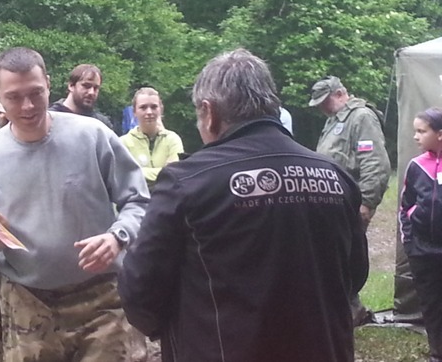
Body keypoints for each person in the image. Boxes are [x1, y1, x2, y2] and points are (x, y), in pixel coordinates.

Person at [119, 49, 368, 362]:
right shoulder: (336, 176)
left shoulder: (187, 182)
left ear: (209, 112)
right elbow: (354, 275)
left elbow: (139, 292)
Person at [0, 47, 149, 361]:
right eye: (14, 97)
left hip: (102, 299)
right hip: (27, 303)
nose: (27, 106)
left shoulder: (92, 136)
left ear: (49, 84)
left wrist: (118, 236)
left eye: (35, 93)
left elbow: (138, 200)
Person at [309, 75, 390, 324]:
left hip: (349, 202)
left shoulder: (361, 117)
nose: (322, 108)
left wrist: (367, 202)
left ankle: (350, 313)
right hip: (333, 202)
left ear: (340, 94)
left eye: (325, 101)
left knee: (345, 258)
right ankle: (346, 310)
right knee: (334, 256)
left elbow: (375, 162)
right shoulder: (336, 119)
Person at [399, 107, 442, 362]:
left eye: (421, 131)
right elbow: (405, 206)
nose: (415, 136)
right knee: (431, 304)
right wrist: (410, 242)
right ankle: (438, 352)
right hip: (423, 251)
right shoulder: (416, 166)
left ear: (439, 134)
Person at [120, 87, 184, 188]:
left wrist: (137, 172)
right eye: (143, 107)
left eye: (154, 107)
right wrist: (163, 172)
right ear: (134, 112)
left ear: (161, 109)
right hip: (136, 197)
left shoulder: (173, 140)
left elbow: (175, 173)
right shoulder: (123, 143)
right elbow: (124, 175)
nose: (149, 112)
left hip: (167, 196)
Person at [49, 63, 113, 130]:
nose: (91, 92)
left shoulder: (101, 124)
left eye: (96, 88)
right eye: (86, 86)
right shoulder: (50, 118)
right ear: (71, 85)